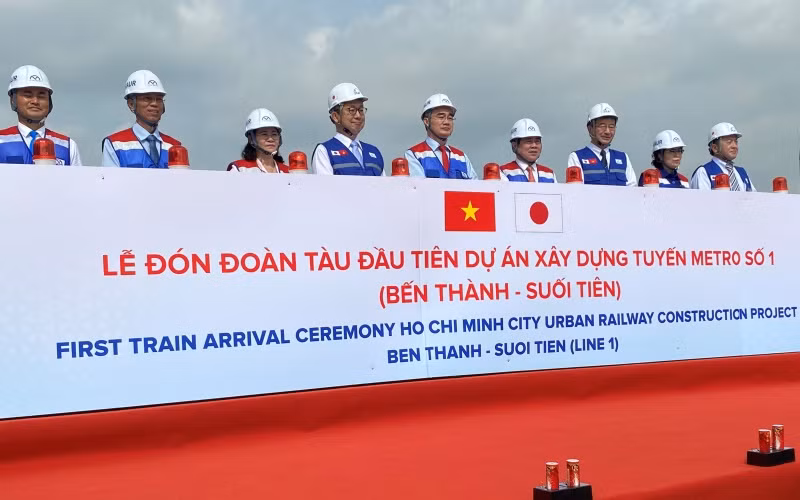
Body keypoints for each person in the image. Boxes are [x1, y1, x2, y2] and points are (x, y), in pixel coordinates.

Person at [0, 65, 82, 165]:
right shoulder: (1, 140)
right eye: (28, 95)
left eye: (41, 95)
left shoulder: (67, 146)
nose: (35, 101)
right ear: (13, 100)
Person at [102, 70, 182, 168]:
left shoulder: (175, 146)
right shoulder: (115, 144)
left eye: (159, 99)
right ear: (131, 104)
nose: (154, 104)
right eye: (147, 98)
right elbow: (110, 181)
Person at [311, 82, 383, 176]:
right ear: (335, 116)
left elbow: (383, 189)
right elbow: (325, 189)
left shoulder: (374, 152)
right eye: (351, 110)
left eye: (361, 110)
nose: (358, 115)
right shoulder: (324, 151)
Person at [405, 94, 477, 179]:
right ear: (426, 121)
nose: (446, 122)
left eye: (450, 118)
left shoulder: (462, 158)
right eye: (441, 117)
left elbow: (476, 189)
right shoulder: (414, 155)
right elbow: (417, 189)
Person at [567, 103, 635, 186]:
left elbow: (632, 191)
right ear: (590, 128)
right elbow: (575, 192)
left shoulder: (623, 158)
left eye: (611, 126)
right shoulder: (577, 157)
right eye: (602, 126)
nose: (607, 131)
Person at [691, 122, 754, 191]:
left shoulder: (742, 172)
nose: (734, 146)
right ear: (715, 148)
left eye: (736, 141)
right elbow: (701, 200)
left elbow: (753, 199)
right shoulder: (704, 172)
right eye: (729, 142)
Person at [227, 108, 288, 173]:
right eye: (264, 134)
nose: (270, 139)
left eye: (274, 134)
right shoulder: (240, 169)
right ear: (251, 139)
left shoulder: (288, 171)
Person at [499, 118, 556, 183]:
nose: (534, 146)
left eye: (537, 141)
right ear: (514, 145)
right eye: (529, 141)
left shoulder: (549, 175)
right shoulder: (503, 172)